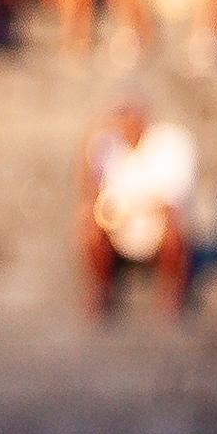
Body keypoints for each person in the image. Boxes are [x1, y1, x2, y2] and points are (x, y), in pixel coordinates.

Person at [79, 94, 198, 316]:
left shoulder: (171, 143)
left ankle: (172, 292)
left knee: (174, 227)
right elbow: (89, 194)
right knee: (89, 225)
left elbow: (174, 201)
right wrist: (89, 140)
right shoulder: (106, 146)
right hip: (120, 229)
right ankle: (101, 289)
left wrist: (131, 208)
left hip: (157, 227)